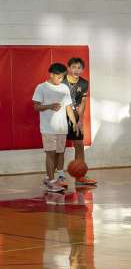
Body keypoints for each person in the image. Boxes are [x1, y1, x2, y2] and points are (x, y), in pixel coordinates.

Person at [31, 63, 76, 194]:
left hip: (62, 128)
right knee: (50, 154)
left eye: (63, 77)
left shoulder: (64, 88)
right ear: (51, 74)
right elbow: (36, 107)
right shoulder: (41, 87)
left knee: (60, 153)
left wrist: (74, 123)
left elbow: (68, 107)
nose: (61, 80)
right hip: (48, 129)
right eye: (59, 77)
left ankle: (59, 176)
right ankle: (51, 181)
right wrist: (49, 106)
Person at [63, 57, 96, 186]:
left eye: (79, 67)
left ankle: (80, 176)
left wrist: (80, 120)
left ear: (83, 69)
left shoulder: (84, 83)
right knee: (58, 149)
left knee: (79, 144)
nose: (77, 70)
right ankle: (57, 178)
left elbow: (82, 103)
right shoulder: (62, 81)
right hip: (61, 116)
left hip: (75, 116)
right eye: (74, 67)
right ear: (69, 68)